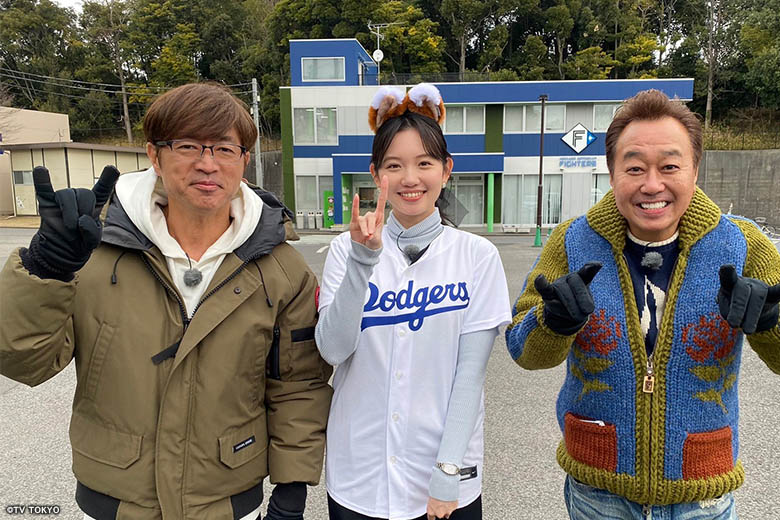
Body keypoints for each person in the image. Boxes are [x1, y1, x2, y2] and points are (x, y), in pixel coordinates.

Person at [0, 82, 332, 520]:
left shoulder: (282, 268)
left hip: (229, 498)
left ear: (244, 161)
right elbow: (24, 363)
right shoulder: (92, 253)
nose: (207, 164)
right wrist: (47, 268)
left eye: (224, 149)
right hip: (114, 500)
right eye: (188, 145)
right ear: (154, 156)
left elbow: (298, 386)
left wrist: (292, 491)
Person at [506, 89, 780, 519]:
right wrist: (552, 323)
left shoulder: (743, 244)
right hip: (598, 489)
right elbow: (523, 350)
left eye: (669, 166)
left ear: (694, 170)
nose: (652, 185)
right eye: (634, 168)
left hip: (702, 491)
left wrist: (768, 324)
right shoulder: (572, 242)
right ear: (612, 173)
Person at [315, 84, 511, 520]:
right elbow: (333, 350)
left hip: (443, 478)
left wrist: (448, 470)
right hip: (359, 473)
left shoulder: (477, 256)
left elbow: (470, 375)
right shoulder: (345, 251)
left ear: (446, 170)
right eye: (394, 165)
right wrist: (363, 261)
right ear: (375, 174)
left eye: (424, 163)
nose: (409, 178)